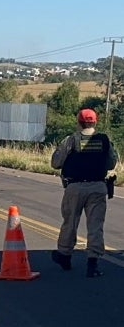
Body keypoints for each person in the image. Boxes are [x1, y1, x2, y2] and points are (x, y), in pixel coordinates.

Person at [50, 109, 118, 278]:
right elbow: (111, 163)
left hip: (75, 187)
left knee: (70, 222)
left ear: (79, 122)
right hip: (98, 187)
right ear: (95, 122)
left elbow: (56, 163)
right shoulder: (104, 140)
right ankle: (92, 264)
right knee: (95, 226)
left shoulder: (71, 140)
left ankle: (64, 255)